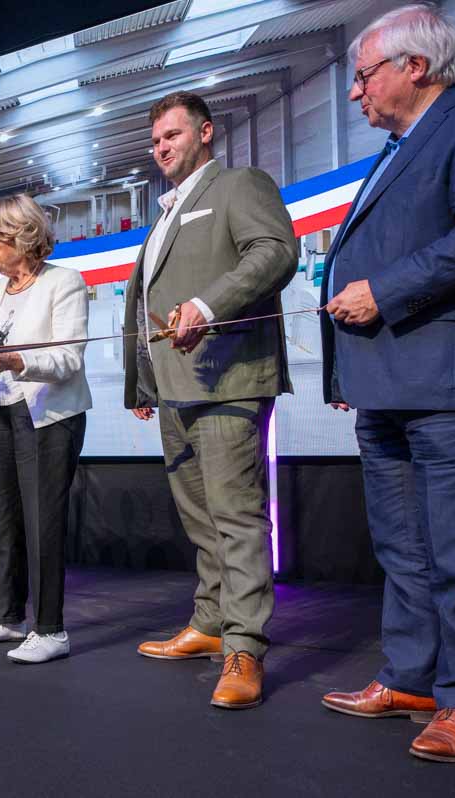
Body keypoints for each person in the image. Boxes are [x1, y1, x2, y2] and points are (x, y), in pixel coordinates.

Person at [318, 4, 455, 763]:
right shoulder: (396, 148)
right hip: (386, 383)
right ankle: (410, 678)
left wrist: (384, 291)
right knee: (403, 548)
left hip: (452, 382)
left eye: (363, 75)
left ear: (416, 67)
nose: (354, 94)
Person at [123, 91, 297, 709]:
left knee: (236, 517)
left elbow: (275, 252)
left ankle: (244, 646)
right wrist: (142, 385)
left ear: (204, 133)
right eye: (154, 140)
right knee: (200, 518)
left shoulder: (239, 184)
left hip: (229, 379)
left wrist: (208, 305)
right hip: (174, 389)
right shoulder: (164, 212)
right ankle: (210, 623)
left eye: (171, 135)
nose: (161, 147)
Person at [0, 194, 91, 664]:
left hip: (49, 418)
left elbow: (69, 359)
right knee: (3, 520)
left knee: (43, 524)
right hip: (1, 411)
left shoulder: (65, 282)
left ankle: (51, 630)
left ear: (23, 236)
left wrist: (15, 360)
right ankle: (6, 616)